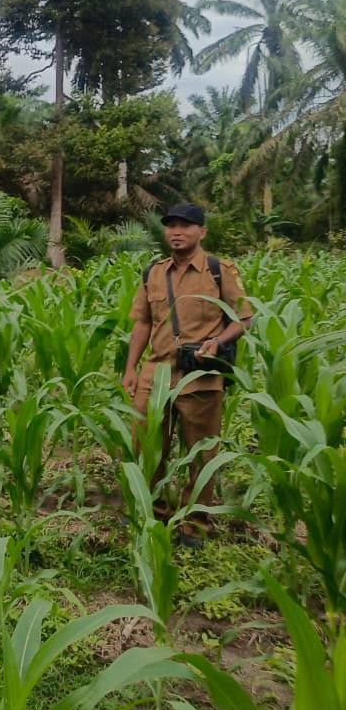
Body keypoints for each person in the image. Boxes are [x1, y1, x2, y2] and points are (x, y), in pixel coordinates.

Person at [121, 202, 251, 547]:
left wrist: (216, 342)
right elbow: (143, 323)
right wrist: (130, 368)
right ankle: (157, 511)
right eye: (171, 225)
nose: (176, 231)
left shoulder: (218, 271)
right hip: (156, 372)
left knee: (201, 451)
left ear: (202, 231)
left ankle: (195, 524)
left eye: (185, 225)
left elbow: (243, 319)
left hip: (200, 374)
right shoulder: (153, 273)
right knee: (146, 444)